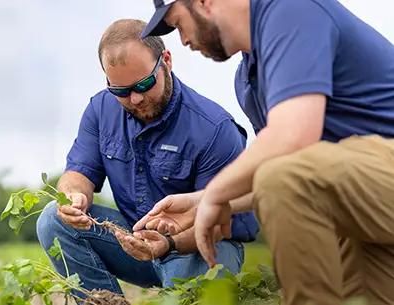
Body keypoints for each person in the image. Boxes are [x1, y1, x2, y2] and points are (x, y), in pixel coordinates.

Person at [136, 0, 394, 304]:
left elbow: (293, 143)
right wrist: (202, 201)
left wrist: (217, 192)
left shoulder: (291, 9)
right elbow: (284, 177)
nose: (183, 41)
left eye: (179, 24)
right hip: (364, 207)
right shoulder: (247, 81)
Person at [35, 19, 258, 298]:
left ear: (166, 60)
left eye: (144, 85)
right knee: (52, 220)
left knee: (188, 284)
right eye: (120, 91)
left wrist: (168, 243)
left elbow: (220, 224)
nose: (135, 99)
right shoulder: (100, 110)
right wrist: (74, 197)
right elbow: (79, 173)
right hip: (135, 241)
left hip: (198, 245)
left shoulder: (214, 129)